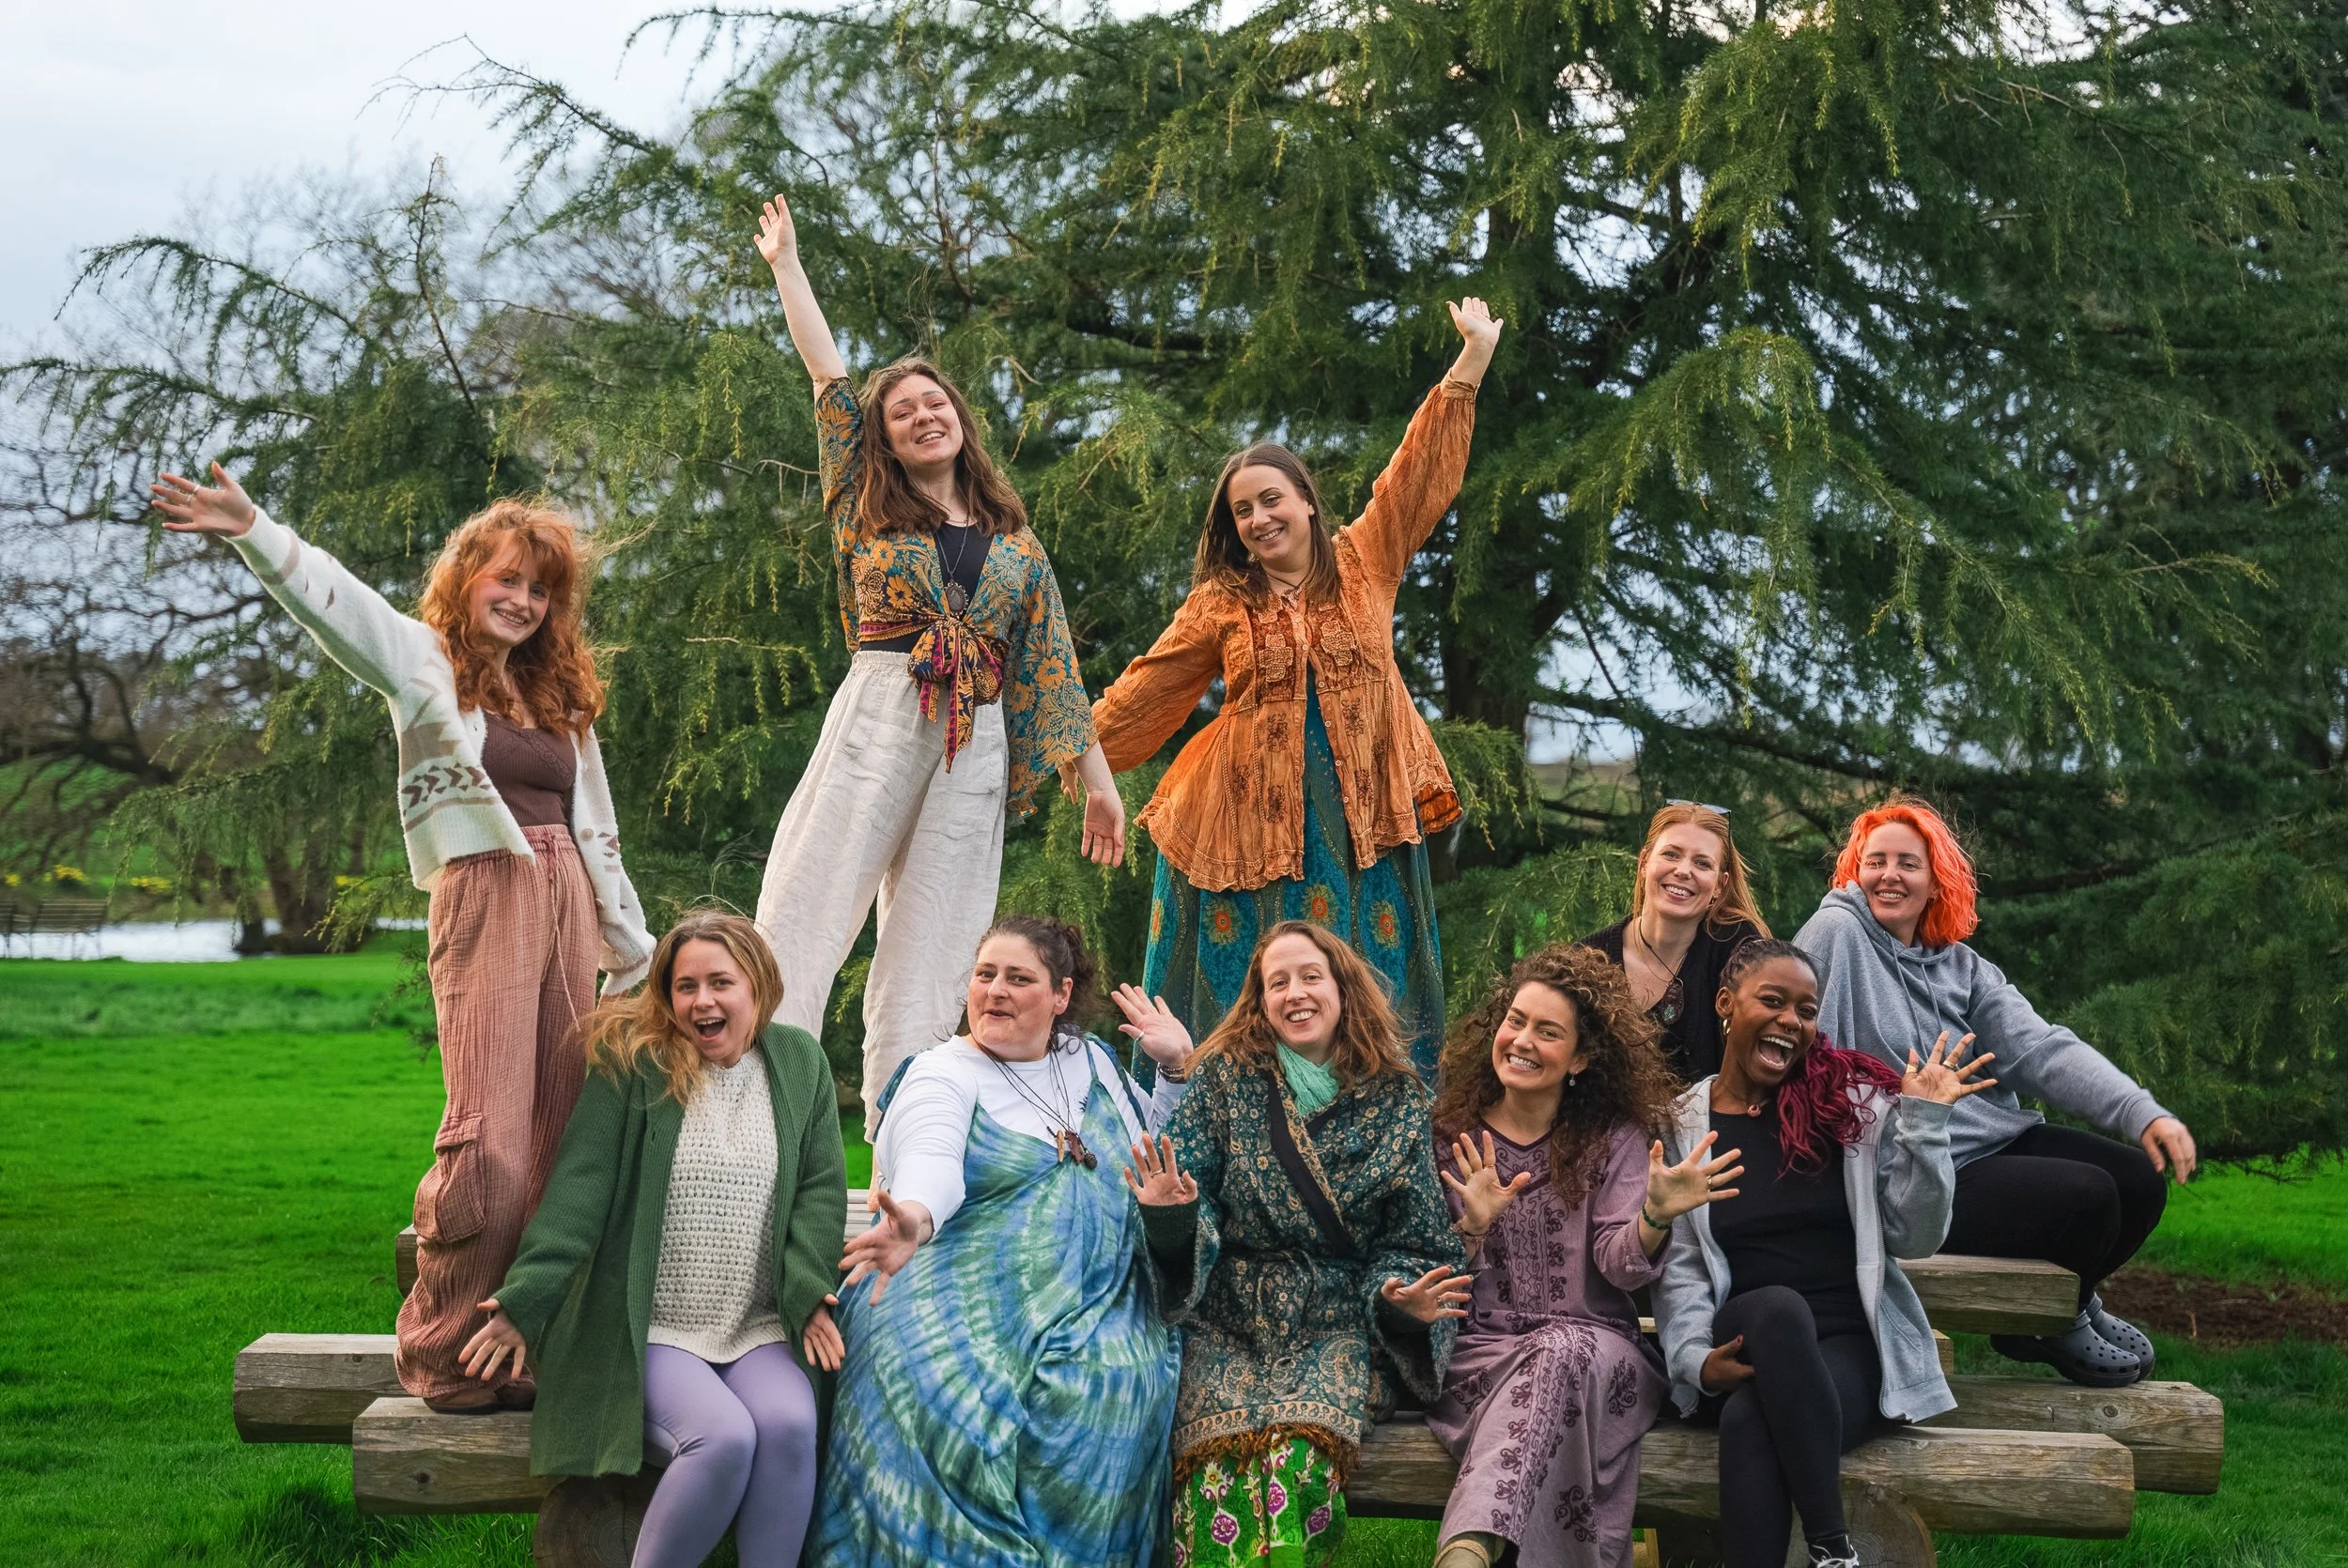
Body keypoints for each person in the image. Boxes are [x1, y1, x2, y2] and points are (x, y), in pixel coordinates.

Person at [151, 467, 654, 1411]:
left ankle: (528, 1344)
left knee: (560, 1132)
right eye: (505, 578)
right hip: (486, 893)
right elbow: (332, 600)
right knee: (490, 1146)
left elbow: (599, 830)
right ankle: (441, 1348)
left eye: (539, 588)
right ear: (468, 579)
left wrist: (634, 945)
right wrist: (252, 526)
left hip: (569, 905)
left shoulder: (561, 696)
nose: (521, 599)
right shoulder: (422, 659)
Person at [751, 193, 1124, 1125]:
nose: (924, 416)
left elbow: (1055, 668)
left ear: (960, 420)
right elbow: (827, 375)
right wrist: (787, 264)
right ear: (881, 439)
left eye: (936, 404)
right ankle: (749, 1104)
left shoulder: (1017, 544)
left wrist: (1101, 780)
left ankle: (909, 1136)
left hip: (977, 734)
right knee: (812, 896)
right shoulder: (861, 504)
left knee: (939, 939)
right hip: (884, 705)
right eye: (904, 411)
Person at [1090, 300, 1506, 1078]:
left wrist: (1471, 360)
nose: (1257, 518)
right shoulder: (1222, 600)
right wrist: (1065, 756)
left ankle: (1374, 1141)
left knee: (1364, 982)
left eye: (1270, 500)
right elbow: (1146, 693)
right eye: (1241, 510)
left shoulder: (1366, 557)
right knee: (1252, 991)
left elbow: (1415, 477)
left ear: (1307, 501)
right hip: (1245, 826)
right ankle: (1213, 1144)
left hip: (1364, 819)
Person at [456, 911, 845, 1568]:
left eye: (720, 982)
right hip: (648, 1331)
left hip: (755, 1326)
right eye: (684, 986)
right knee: (721, 1439)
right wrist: (527, 1299)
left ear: (758, 985)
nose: (703, 1001)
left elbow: (819, 1191)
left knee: (789, 1426)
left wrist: (807, 1290)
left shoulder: (799, 1062)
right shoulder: (635, 1064)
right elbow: (580, 1191)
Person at [813, 916, 1190, 1567]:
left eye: (1019, 978)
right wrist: (916, 1218)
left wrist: (1176, 1071)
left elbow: (1150, 1153)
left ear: (1060, 995)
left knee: (1113, 1387)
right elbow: (931, 1163)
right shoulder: (941, 1073)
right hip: (953, 1289)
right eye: (985, 975)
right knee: (944, 1401)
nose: (995, 991)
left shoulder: (1091, 1061)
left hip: (1097, 1293)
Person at [1794, 794, 2194, 1385]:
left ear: (1937, 882)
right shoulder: (1837, 932)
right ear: (1855, 869)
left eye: (1908, 863)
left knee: (2138, 1183)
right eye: (1874, 860)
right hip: (1917, 1169)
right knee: (2088, 1196)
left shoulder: (1961, 966)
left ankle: (2060, 1309)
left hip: (1992, 1141)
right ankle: (2049, 1320)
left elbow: (2042, 1049)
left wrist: (2141, 1112)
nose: (1888, 875)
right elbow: (1798, 1049)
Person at [1123, 919, 1468, 1567]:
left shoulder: (1397, 1099)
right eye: (1276, 982)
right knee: (1211, 1479)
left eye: (1310, 976)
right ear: (1260, 1000)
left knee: (1297, 1467)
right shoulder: (1225, 1080)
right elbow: (1189, 1202)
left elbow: (1417, 1242)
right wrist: (1170, 1216)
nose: (1295, 993)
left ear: (1342, 988)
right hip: (1228, 1317)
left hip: (1336, 1321)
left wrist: (1399, 1301)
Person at [1652, 939, 1991, 1568]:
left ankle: (1827, 1553)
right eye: (1773, 1002)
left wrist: (1923, 1124)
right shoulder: (1682, 1126)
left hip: (1846, 1350)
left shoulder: (1848, 1110)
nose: (1792, 1022)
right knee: (1779, 1309)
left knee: (1751, 1422)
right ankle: (1835, 1551)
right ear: (1727, 1004)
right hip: (1744, 1334)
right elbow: (1682, 1269)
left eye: (1806, 1011)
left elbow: (1917, 1238)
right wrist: (1696, 1362)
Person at [1426, 945, 1744, 1568]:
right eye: (1515, 1021)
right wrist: (1472, 1227)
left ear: (1582, 1057)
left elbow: (1622, 1268)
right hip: (1480, 1361)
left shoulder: (1615, 1140)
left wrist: (1653, 1215)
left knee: (1563, 1350)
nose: (1521, 1040)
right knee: (1550, 1364)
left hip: (1600, 1355)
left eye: (1548, 1032)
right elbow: (1428, 1275)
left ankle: (1469, 1548)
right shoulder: (1450, 1135)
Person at [1581, 801, 1770, 1082]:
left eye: (1702, 863)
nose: (1683, 870)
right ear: (1644, 863)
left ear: (1720, 884)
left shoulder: (1737, 951)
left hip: (1707, 1125)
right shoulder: (1587, 961)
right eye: (1671, 854)